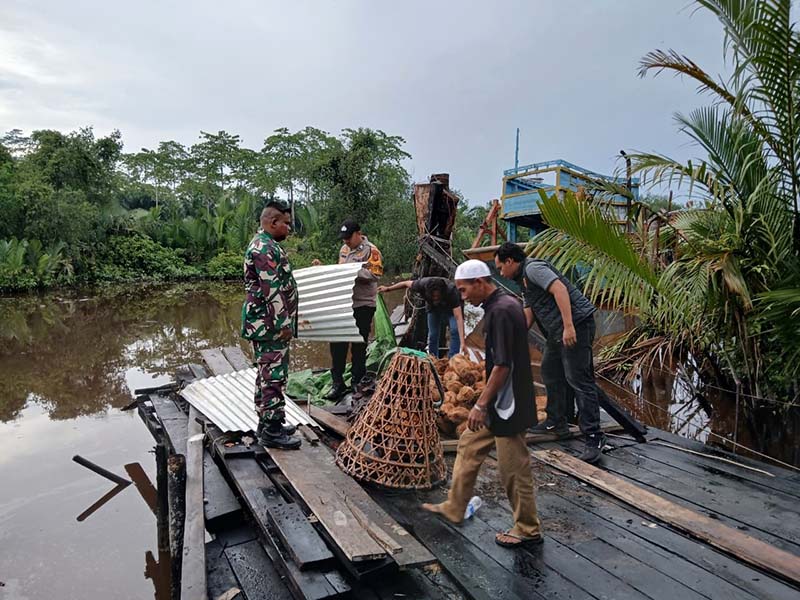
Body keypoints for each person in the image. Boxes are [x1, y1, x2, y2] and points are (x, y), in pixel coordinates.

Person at [422, 260, 542, 548]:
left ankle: (527, 528)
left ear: (480, 282)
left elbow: (502, 365)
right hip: (499, 401)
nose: (463, 297)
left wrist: (480, 405)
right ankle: (455, 505)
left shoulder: (501, 311)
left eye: (464, 290)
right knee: (469, 444)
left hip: (508, 403)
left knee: (513, 468)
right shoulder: (505, 303)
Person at [494, 242, 604, 464]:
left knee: (578, 379)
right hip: (557, 331)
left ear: (510, 261)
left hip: (576, 325)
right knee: (550, 370)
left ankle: (594, 436)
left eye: (499, 267)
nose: (500, 273)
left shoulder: (533, 268)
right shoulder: (522, 282)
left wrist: (569, 326)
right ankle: (556, 420)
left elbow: (559, 289)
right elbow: (529, 312)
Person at [240, 199, 302, 450]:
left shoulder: (267, 244)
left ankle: (267, 424)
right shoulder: (263, 248)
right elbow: (272, 290)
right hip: (270, 325)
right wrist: (283, 323)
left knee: (267, 374)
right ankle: (272, 432)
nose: (289, 228)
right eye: (286, 223)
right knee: (274, 376)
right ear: (272, 222)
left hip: (266, 324)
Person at [324, 219, 384, 401]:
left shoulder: (371, 251)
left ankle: (357, 382)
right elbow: (339, 269)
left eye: (349, 238)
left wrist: (353, 271)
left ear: (359, 233)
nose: (346, 242)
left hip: (363, 305)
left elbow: (376, 274)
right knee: (337, 345)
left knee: (359, 346)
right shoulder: (343, 250)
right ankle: (338, 383)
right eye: (344, 239)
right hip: (344, 304)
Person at [378, 276, 467, 358]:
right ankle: (433, 358)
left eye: (437, 296)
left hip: (451, 308)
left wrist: (463, 343)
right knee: (433, 334)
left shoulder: (451, 291)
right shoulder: (421, 285)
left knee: (455, 330)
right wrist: (388, 289)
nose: (435, 298)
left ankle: (453, 358)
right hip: (433, 308)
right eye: (433, 296)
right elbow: (405, 283)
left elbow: (458, 317)